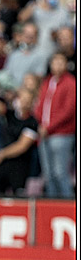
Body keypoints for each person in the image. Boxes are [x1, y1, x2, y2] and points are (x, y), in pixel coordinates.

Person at [35, 53, 77, 199]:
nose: (57, 65)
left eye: (61, 62)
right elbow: (40, 104)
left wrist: (49, 126)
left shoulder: (70, 83)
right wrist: (40, 123)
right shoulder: (47, 82)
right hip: (44, 133)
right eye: (55, 62)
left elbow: (69, 110)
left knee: (60, 173)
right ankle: (51, 207)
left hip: (61, 134)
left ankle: (67, 205)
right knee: (48, 174)